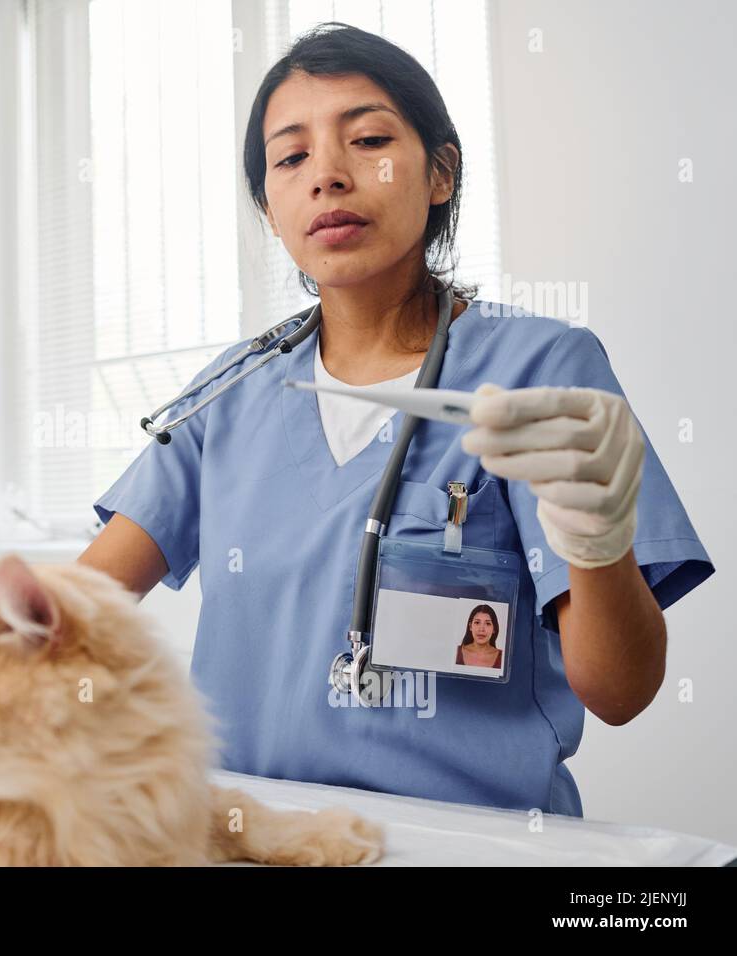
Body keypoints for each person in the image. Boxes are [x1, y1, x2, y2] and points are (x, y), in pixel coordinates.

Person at [77, 23, 713, 816]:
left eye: (369, 139)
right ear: (269, 209)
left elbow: (621, 692)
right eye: (291, 157)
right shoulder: (229, 395)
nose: (328, 177)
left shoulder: (541, 372)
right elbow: (68, 613)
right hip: (251, 837)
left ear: (440, 172)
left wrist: (598, 532)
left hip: (473, 848)